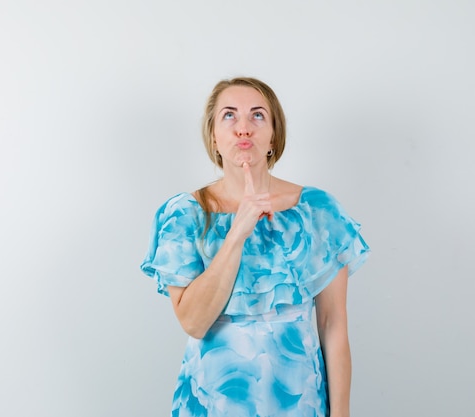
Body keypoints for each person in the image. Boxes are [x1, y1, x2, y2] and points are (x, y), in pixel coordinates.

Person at [140, 76, 370, 417]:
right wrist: (237, 232)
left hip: (299, 400)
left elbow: (332, 324)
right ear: (214, 137)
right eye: (229, 116)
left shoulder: (317, 212)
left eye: (258, 115)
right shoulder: (185, 215)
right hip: (212, 402)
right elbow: (193, 322)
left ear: (274, 136)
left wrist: (341, 414)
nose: (243, 128)